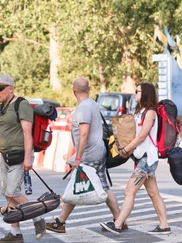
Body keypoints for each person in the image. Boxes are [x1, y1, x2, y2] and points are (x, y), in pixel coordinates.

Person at [46, 78, 126, 233]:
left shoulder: (83, 109)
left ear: (73, 90)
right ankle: (119, 219)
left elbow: (84, 134)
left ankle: (60, 222)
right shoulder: (93, 104)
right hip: (98, 152)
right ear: (89, 89)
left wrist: (78, 158)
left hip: (89, 155)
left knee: (75, 188)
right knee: (100, 186)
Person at [0, 74, 46, 243]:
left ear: (11, 88)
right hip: (5, 155)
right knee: (7, 194)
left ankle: (38, 218)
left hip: (20, 154)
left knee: (13, 193)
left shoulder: (21, 105)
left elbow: (27, 133)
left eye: (0, 88)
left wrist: (28, 159)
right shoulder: (0, 108)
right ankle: (15, 233)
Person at [100, 82, 170, 235]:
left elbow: (142, 136)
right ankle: (164, 225)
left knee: (129, 191)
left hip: (147, 158)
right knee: (153, 193)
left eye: (137, 91)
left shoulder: (150, 112)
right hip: (141, 158)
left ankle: (118, 224)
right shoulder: (141, 112)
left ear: (145, 93)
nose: (134, 94)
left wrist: (126, 149)